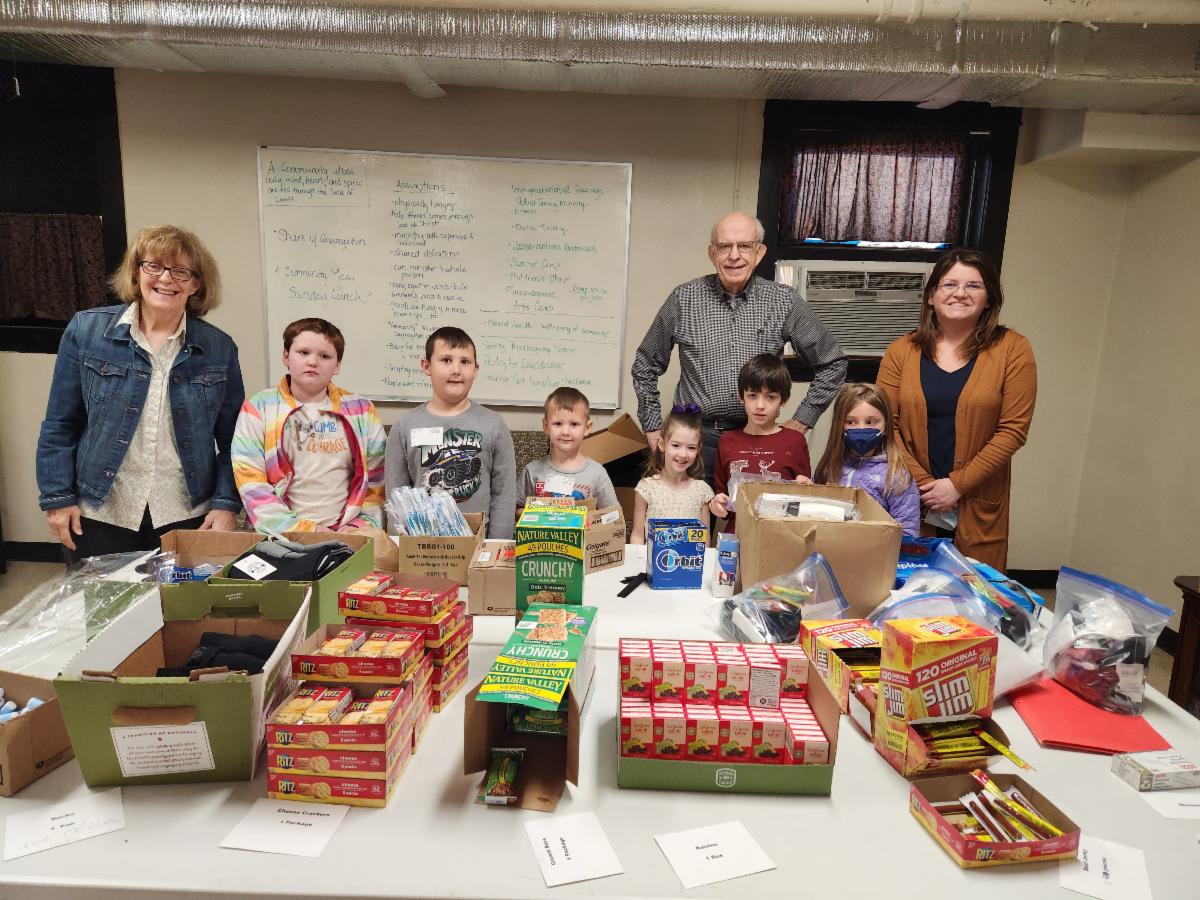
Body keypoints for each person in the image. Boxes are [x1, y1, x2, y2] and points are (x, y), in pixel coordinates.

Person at [36, 224, 244, 563]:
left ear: (196, 284)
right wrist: (57, 497)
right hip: (101, 510)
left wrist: (226, 504)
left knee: (176, 600)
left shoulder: (219, 348)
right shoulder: (86, 331)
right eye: (154, 266)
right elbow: (61, 423)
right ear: (136, 272)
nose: (166, 279)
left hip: (187, 512)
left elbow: (236, 439)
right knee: (101, 599)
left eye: (181, 271)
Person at [631, 211, 847, 480]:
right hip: (695, 440)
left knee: (751, 508)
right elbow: (645, 365)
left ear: (759, 253)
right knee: (690, 508)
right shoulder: (683, 299)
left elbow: (833, 363)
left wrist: (802, 420)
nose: (734, 256)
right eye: (724, 246)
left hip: (758, 441)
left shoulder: (784, 301)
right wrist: (653, 430)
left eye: (744, 246)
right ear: (712, 253)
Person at [877, 248, 1037, 570]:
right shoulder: (901, 351)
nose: (960, 293)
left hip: (977, 502)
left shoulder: (1013, 349)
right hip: (911, 497)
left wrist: (957, 485)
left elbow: (1013, 430)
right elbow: (884, 425)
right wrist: (924, 485)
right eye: (949, 284)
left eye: (973, 285)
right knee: (909, 587)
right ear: (931, 297)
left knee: (974, 592)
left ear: (989, 298)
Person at [233, 318, 386, 538]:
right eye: (303, 352)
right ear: (286, 357)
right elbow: (250, 480)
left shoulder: (362, 410)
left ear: (337, 365)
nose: (313, 362)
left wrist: (359, 527)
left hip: (349, 534)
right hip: (281, 535)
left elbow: (376, 483)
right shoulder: (258, 408)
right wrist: (303, 531)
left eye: (325, 356)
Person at [385, 327, 516, 540]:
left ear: (476, 369)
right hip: (421, 546)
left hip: (479, 543)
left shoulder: (494, 425)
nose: (456, 369)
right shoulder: (404, 426)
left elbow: (504, 494)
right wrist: (400, 546)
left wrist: (497, 544)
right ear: (426, 366)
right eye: (446, 360)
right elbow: (396, 496)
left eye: (465, 362)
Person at [708, 353, 811, 531]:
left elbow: (804, 499)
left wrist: (807, 487)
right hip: (738, 535)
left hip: (781, 534)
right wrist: (717, 504)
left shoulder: (795, 441)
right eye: (752, 395)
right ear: (742, 397)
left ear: (784, 399)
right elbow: (722, 496)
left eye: (770, 397)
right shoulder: (727, 441)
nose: (760, 405)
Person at [811, 383, 920, 536]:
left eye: (870, 422)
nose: (861, 428)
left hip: (875, 550)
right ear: (839, 426)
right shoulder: (828, 468)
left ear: (886, 427)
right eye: (851, 422)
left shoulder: (896, 477)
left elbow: (906, 533)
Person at [519, 386, 618, 511]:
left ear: (587, 428)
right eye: (558, 424)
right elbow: (515, 509)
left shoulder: (597, 473)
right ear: (546, 426)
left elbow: (613, 515)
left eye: (574, 424)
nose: (565, 432)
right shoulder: (532, 471)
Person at [631, 407, 714, 544]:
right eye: (676, 445)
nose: (683, 454)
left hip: (689, 558)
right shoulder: (646, 488)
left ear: (698, 449)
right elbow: (637, 536)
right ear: (662, 444)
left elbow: (705, 541)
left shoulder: (702, 491)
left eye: (691, 447)